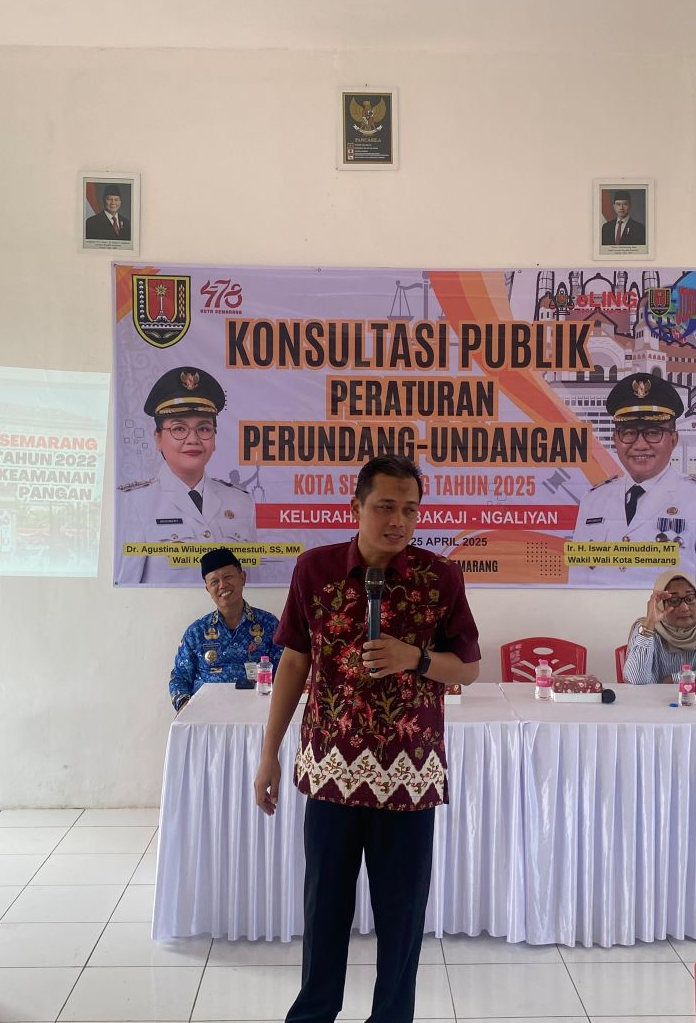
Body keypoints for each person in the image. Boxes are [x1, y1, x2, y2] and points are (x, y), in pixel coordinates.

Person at [253, 454, 480, 1023]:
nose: (398, 521)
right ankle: (314, 1013)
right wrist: (269, 753)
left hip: (408, 774)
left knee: (402, 916)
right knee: (323, 908)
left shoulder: (440, 577)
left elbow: (468, 667)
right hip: (330, 769)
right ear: (356, 506)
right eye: (385, 507)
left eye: (410, 509)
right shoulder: (315, 570)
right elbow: (294, 662)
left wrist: (415, 658)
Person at [570, 372, 696, 587]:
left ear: (673, 439)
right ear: (615, 440)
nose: (640, 445)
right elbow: (577, 583)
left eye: (653, 432)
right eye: (629, 432)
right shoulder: (593, 500)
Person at [116, 366, 256, 585]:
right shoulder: (134, 503)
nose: (193, 439)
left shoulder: (241, 501)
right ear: (158, 438)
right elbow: (126, 588)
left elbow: (251, 581)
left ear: (214, 438)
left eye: (204, 428)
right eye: (179, 429)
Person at [169, 547, 282, 712]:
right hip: (207, 716)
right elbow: (179, 677)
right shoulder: (196, 632)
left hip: (258, 714)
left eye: (228, 576)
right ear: (208, 589)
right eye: (214, 582)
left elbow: (285, 672)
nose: (222, 585)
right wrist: (186, 709)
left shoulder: (269, 624)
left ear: (242, 578)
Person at [623, 568, 696, 684]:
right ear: (660, 604)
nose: (684, 607)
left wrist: (675, 679)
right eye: (674, 601)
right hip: (651, 696)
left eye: (690, 598)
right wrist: (649, 625)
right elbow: (636, 680)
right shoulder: (645, 628)